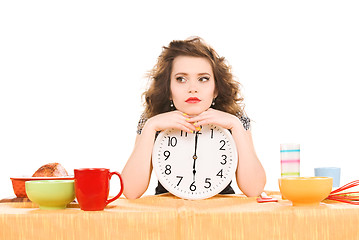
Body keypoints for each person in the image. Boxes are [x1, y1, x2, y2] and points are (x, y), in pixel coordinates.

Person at [121, 37, 266, 199]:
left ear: (216, 89)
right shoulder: (153, 120)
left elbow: (254, 190)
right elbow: (130, 191)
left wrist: (235, 125)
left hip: (221, 213)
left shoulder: (235, 119)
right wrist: (150, 126)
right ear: (168, 89)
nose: (192, 89)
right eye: (181, 79)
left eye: (203, 79)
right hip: (168, 214)